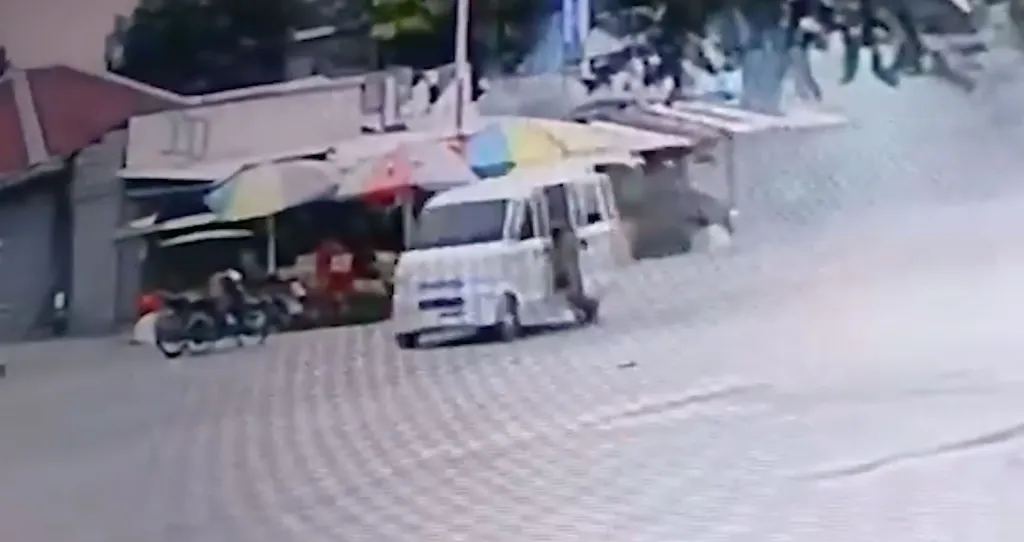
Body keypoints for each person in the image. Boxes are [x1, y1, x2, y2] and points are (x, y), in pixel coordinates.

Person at [550, 226, 599, 322]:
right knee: (567, 288)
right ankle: (586, 309)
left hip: (562, 238)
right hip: (561, 238)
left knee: (570, 288)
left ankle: (589, 307)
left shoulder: (565, 239)